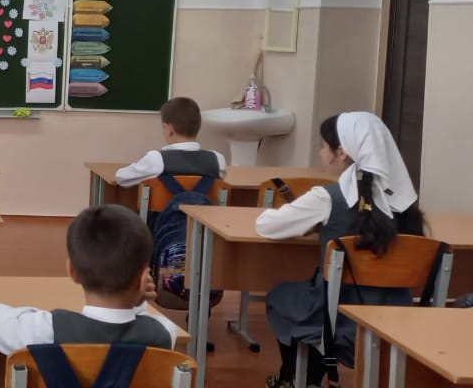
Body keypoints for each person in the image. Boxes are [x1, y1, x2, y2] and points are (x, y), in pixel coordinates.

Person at [257, 113, 426, 388]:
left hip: (340, 320)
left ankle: (295, 380)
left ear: (342, 152)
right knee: (312, 303)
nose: (320, 152)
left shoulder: (328, 198)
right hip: (398, 321)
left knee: (283, 297)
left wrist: (312, 224)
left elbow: (267, 225)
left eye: (323, 146)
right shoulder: (405, 207)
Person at [0, 205, 177, 354]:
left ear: (72, 271)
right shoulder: (164, 334)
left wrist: (36, 315)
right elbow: (145, 322)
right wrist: (137, 304)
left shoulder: (46, 331)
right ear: (143, 280)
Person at [115, 96, 227, 187]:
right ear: (198, 127)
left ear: (169, 130)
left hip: (163, 210)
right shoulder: (218, 161)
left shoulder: (156, 160)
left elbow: (121, 178)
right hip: (202, 209)